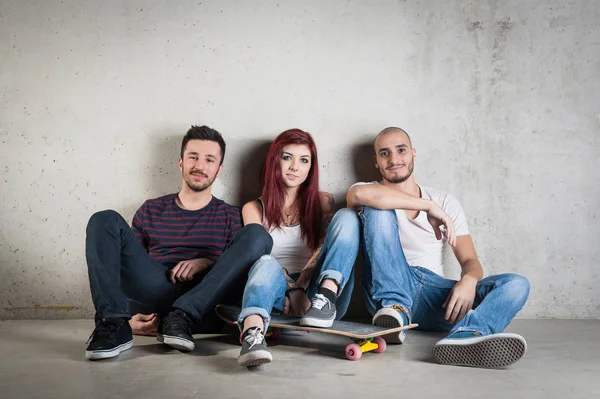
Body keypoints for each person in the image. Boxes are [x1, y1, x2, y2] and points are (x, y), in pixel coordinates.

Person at [345, 127, 530, 368]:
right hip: (387, 291)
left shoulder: (446, 201)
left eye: (401, 150)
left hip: (435, 295)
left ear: (412, 153)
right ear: (376, 162)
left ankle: (466, 337)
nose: (394, 159)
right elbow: (357, 193)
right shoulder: (370, 192)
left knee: (516, 284)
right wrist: (427, 206)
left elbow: (470, 262)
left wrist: (469, 280)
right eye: (384, 153)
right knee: (378, 212)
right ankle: (395, 310)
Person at [84, 125, 273, 360]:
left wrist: (206, 262)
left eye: (209, 160)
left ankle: (182, 315)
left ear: (219, 169)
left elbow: (235, 270)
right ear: (181, 162)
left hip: (207, 304)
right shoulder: (150, 210)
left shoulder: (231, 216)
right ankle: (113, 324)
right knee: (103, 219)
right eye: (193, 157)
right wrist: (129, 320)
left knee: (258, 235)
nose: (200, 166)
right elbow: (126, 268)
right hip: (158, 292)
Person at [235, 129, 359, 367]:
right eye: (286, 157)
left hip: (319, 295)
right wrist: (292, 291)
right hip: (275, 296)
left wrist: (302, 288)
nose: (294, 167)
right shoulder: (254, 208)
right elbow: (256, 255)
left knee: (347, 217)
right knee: (264, 262)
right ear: (274, 161)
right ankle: (252, 336)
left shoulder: (323, 202)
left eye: (304, 160)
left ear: (311, 168)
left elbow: (325, 248)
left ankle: (327, 297)